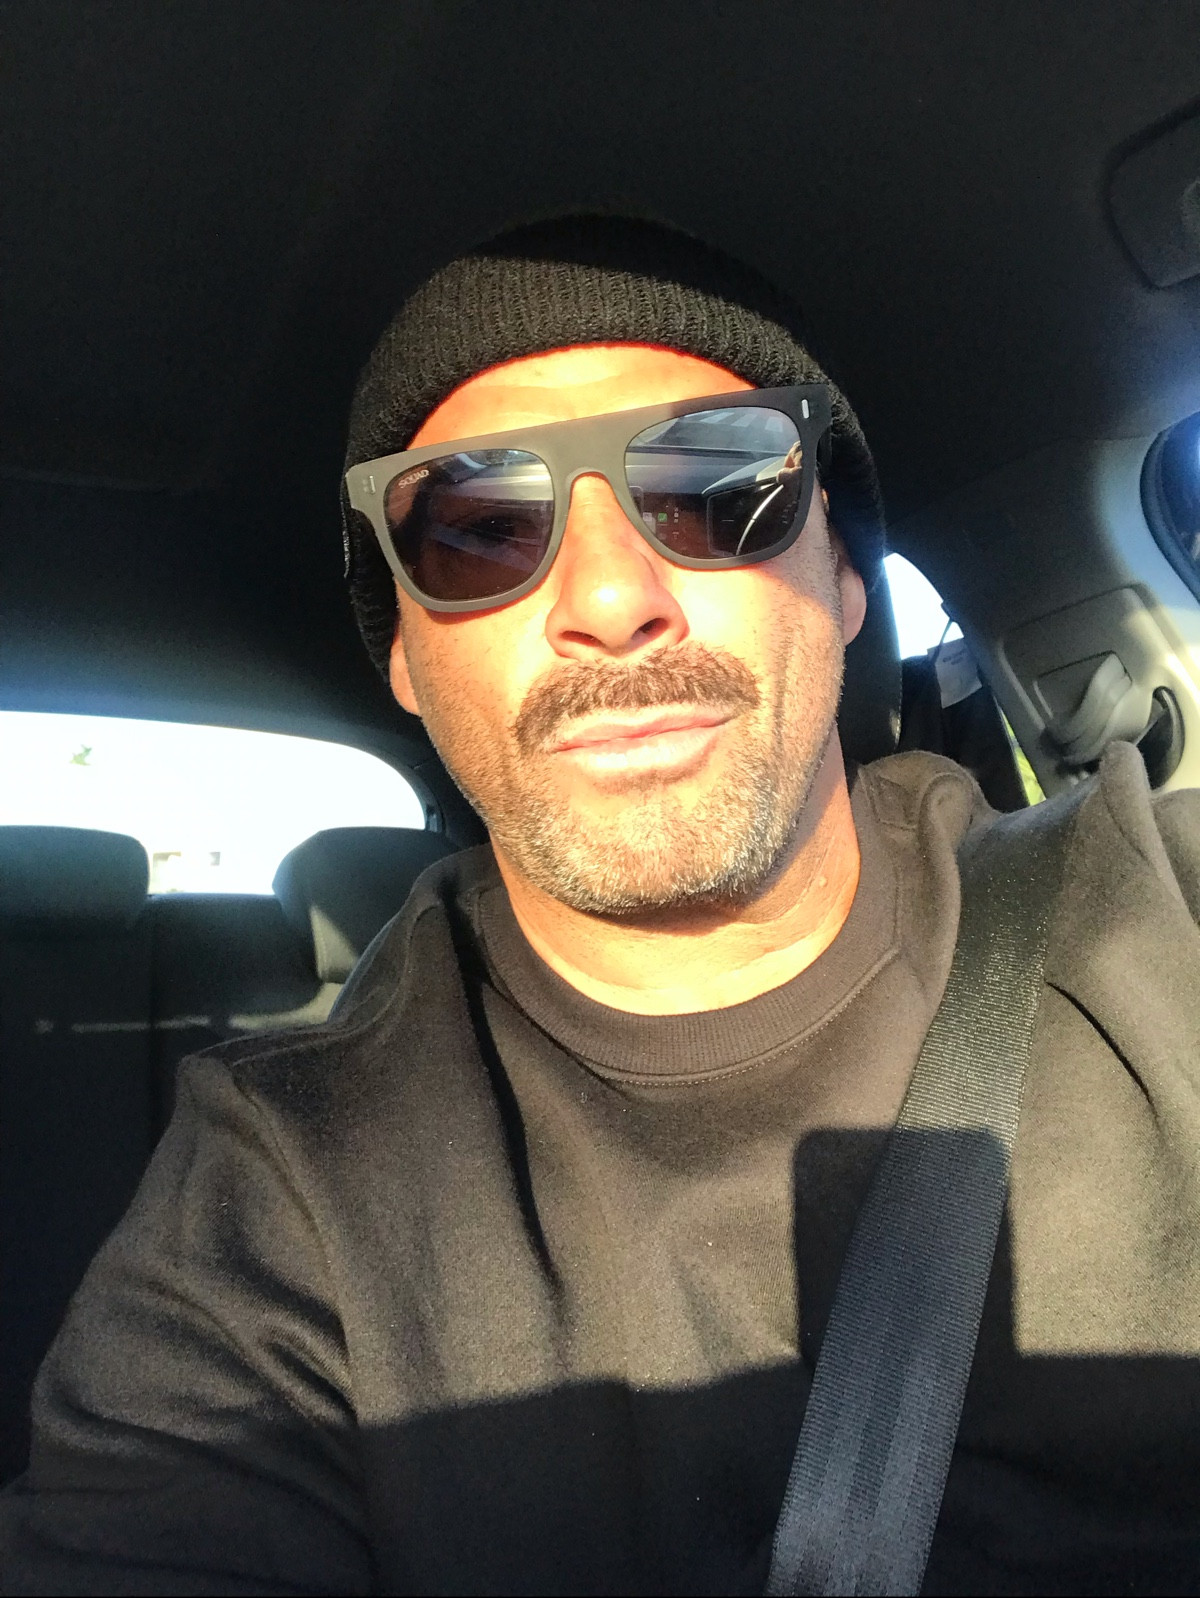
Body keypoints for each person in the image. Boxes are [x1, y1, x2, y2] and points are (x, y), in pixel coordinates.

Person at [4, 214, 1200, 1597]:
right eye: (481, 529)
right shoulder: (282, 1200)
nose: (616, 597)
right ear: (406, 662)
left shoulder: (1161, 913)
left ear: (843, 576)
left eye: (714, 486)